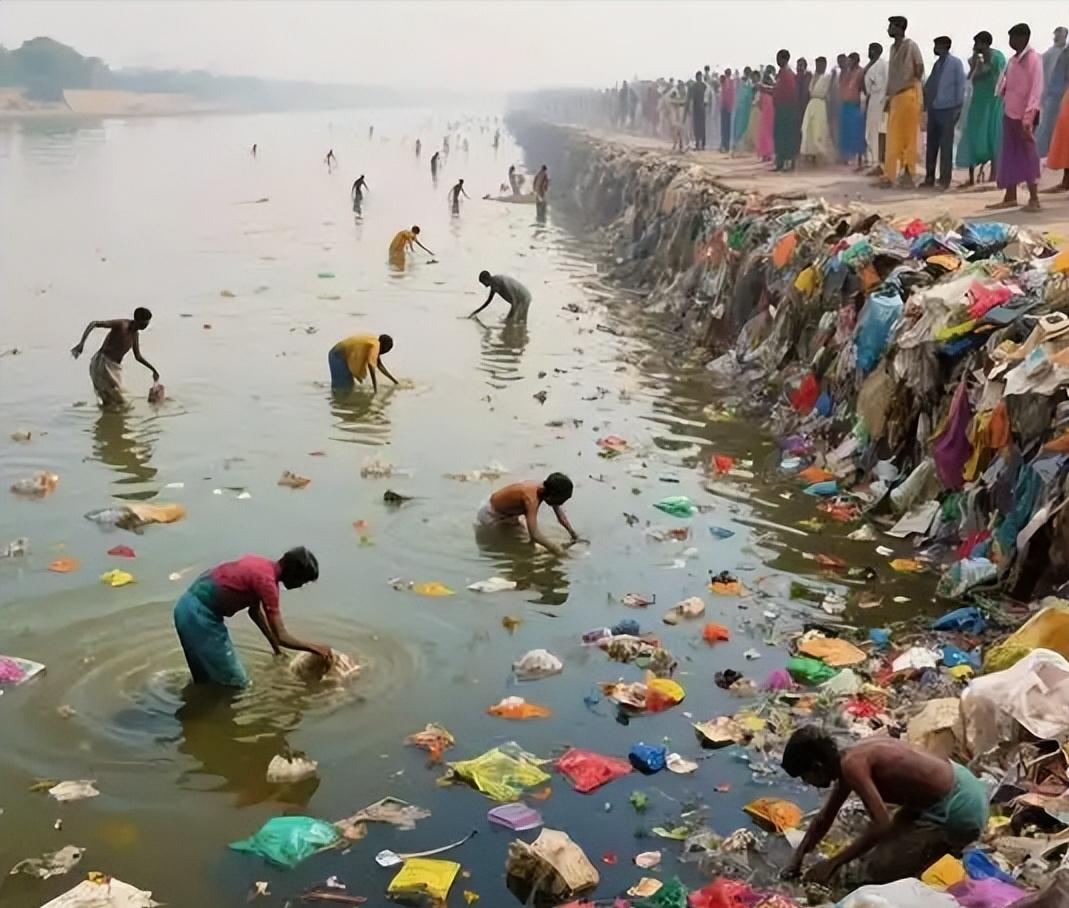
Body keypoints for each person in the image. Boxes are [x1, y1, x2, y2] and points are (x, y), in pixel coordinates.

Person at [780, 728, 988, 885]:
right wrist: (797, 858)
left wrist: (833, 863)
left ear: (817, 767)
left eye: (805, 777)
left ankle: (940, 854)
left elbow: (881, 823)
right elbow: (825, 818)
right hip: (956, 785)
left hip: (960, 808)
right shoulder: (849, 757)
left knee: (878, 876)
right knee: (880, 855)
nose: (807, 783)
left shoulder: (852, 766)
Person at [173, 547, 330, 688]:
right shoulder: (268, 584)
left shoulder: (261, 565)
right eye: (302, 581)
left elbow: (255, 613)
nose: (300, 586)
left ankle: (197, 709)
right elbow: (282, 636)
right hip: (200, 618)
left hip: (186, 608)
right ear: (294, 575)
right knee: (239, 684)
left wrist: (276, 649)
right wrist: (315, 648)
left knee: (206, 681)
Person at [990, 22, 1044, 211]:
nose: (1011, 42)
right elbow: (1004, 86)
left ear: (1023, 38)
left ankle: (1034, 199)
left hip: (1025, 117)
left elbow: (1035, 91)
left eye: (1013, 38)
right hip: (1009, 114)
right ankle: (1010, 196)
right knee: (1009, 156)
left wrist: (1028, 118)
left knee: (1028, 156)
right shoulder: (1012, 61)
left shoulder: (1033, 60)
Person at [71, 308, 159, 410]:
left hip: (115, 368)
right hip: (103, 364)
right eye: (145, 323)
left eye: (147, 323)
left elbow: (138, 356)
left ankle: (106, 419)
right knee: (119, 401)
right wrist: (81, 344)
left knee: (114, 401)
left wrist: (153, 370)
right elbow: (94, 324)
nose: (146, 325)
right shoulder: (122, 325)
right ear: (138, 320)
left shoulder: (135, 335)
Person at [476, 474, 579, 557]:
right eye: (561, 500)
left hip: (509, 514)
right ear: (551, 496)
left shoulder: (545, 489)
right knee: (516, 548)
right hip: (491, 514)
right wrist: (558, 550)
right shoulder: (531, 499)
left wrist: (574, 535)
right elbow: (534, 534)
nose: (561, 504)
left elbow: (561, 517)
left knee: (525, 542)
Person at [956, 31, 1007, 185]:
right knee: (973, 135)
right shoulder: (976, 60)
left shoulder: (997, 57)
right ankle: (971, 177)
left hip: (992, 103)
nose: (976, 47)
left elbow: (996, 77)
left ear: (984, 43)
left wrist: (980, 65)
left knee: (993, 136)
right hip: (978, 103)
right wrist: (975, 62)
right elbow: (970, 77)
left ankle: (994, 174)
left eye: (978, 43)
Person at [882, 15, 925, 187]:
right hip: (895, 98)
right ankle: (891, 176)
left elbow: (919, 68)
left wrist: (909, 85)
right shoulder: (893, 48)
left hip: (908, 95)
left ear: (899, 28)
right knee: (893, 138)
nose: (888, 29)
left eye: (891, 26)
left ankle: (908, 174)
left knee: (908, 137)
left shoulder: (911, 45)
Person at [922, 36, 966, 189]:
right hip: (934, 109)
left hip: (948, 109)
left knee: (946, 146)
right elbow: (929, 85)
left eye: (937, 45)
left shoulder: (955, 63)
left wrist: (958, 107)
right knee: (931, 146)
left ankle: (944, 180)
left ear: (945, 46)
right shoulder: (936, 65)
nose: (935, 49)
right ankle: (929, 178)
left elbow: (961, 86)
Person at [328, 333, 398, 392]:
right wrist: (375, 389)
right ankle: (336, 403)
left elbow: (379, 365)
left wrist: (394, 381)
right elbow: (371, 365)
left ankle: (337, 403)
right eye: (387, 349)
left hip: (337, 355)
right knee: (343, 388)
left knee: (347, 386)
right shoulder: (375, 345)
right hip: (337, 356)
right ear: (384, 346)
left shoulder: (371, 343)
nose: (385, 352)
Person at [1039, 28, 1069, 155]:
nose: (1057, 38)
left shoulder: (1065, 52)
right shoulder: (1049, 54)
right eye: (1057, 35)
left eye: (1061, 35)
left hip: (1063, 94)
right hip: (1051, 93)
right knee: (1047, 124)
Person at [800, 57, 834, 164]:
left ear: (825, 65)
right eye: (817, 64)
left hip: (820, 103)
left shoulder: (827, 77)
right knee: (807, 129)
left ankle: (819, 156)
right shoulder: (812, 77)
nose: (818, 66)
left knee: (818, 130)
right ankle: (809, 154)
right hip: (811, 104)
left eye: (821, 64)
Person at [862, 43, 888, 172]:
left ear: (875, 51)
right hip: (872, 99)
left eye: (870, 50)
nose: (868, 52)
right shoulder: (870, 66)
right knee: (870, 130)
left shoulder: (883, 65)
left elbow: (886, 83)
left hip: (880, 100)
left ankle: (878, 162)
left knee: (877, 131)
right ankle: (872, 160)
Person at [838, 52, 867, 167]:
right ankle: (845, 157)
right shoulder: (847, 73)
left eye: (850, 60)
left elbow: (863, 88)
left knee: (856, 132)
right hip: (845, 104)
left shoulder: (860, 72)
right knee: (845, 132)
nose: (848, 62)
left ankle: (859, 158)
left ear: (855, 61)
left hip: (855, 105)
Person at [772, 50, 799, 171]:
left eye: (779, 58)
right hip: (779, 108)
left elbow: (791, 93)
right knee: (779, 136)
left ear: (784, 59)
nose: (777, 61)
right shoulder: (781, 74)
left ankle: (788, 162)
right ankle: (780, 162)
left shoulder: (788, 74)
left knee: (786, 137)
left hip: (787, 109)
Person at [732, 67, 754, 151]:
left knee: (745, 126)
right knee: (738, 126)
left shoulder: (749, 83)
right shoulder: (740, 82)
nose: (748, 74)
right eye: (747, 72)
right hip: (740, 108)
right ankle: (736, 145)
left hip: (747, 108)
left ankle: (741, 147)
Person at [757, 67, 776, 161]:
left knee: (766, 130)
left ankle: (767, 153)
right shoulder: (769, 82)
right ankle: (766, 153)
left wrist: (765, 89)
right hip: (768, 106)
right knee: (766, 130)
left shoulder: (767, 84)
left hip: (768, 106)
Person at [689, 70, 707, 151]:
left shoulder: (694, 86)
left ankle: (698, 144)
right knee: (701, 127)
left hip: (697, 109)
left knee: (698, 127)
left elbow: (692, 99)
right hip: (701, 109)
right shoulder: (703, 86)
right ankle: (701, 144)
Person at [719, 70, 735, 152]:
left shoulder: (726, 83)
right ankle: (725, 145)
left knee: (724, 127)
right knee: (726, 127)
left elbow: (726, 96)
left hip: (725, 107)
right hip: (728, 107)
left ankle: (724, 145)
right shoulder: (730, 83)